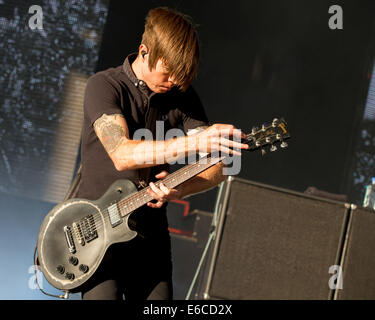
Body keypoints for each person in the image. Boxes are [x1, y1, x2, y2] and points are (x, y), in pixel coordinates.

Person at [76, 7, 249, 300]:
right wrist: (194, 143)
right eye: (167, 73)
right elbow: (121, 153)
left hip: (149, 238)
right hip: (97, 232)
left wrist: (181, 188)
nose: (173, 83)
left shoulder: (181, 96)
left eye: (180, 78)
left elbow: (218, 166)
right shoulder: (104, 85)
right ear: (144, 51)